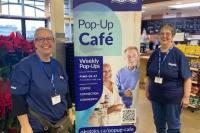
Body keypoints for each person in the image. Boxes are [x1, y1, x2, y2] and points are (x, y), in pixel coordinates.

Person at [10, 27, 73, 133]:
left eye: (49, 38)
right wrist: (25, 126)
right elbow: (17, 97)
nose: (45, 42)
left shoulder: (57, 65)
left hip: (61, 125)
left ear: (53, 42)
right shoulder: (25, 66)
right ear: (35, 43)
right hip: (38, 125)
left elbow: (66, 91)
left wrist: (70, 112)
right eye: (41, 39)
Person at [146, 24, 192, 133]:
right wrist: (147, 90)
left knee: (173, 126)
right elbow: (149, 75)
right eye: (162, 33)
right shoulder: (155, 54)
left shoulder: (178, 55)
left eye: (168, 34)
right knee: (159, 125)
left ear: (173, 36)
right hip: (156, 97)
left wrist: (186, 97)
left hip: (172, 99)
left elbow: (187, 78)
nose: (164, 36)